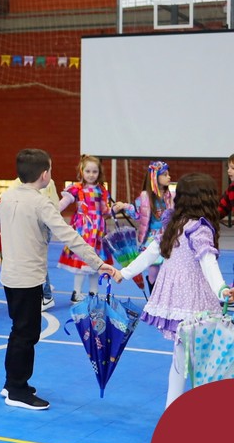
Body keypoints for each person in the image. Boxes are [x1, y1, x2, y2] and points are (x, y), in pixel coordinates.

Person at [0, 149, 118, 410]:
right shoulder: (41, 203)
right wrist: (99, 263)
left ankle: (12, 382)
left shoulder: (7, 197)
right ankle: (17, 390)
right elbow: (69, 236)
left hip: (9, 278)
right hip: (28, 280)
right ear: (44, 175)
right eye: (50, 170)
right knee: (26, 333)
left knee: (19, 330)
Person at [117, 173, 232, 407]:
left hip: (176, 299)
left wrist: (125, 273)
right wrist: (221, 289)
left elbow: (150, 253)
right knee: (200, 360)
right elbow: (207, 261)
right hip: (194, 301)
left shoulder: (174, 224)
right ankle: (200, 407)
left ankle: (173, 407)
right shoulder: (199, 228)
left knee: (181, 359)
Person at [56, 155, 131, 303]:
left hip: (98, 232)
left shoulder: (102, 190)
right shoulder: (76, 189)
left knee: (96, 262)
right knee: (82, 260)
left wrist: (114, 209)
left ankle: (93, 293)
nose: (91, 175)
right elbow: (64, 202)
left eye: (94, 171)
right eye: (88, 171)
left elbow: (105, 211)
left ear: (99, 173)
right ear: (82, 171)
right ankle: (76, 293)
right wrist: (52, 212)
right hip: (83, 231)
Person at [133, 161, 174, 291]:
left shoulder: (170, 196)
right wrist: (125, 207)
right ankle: (153, 294)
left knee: (168, 267)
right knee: (154, 267)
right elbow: (137, 214)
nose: (169, 177)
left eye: (168, 174)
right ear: (155, 177)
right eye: (165, 175)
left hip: (167, 236)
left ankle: (164, 294)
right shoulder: (145, 197)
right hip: (152, 237)